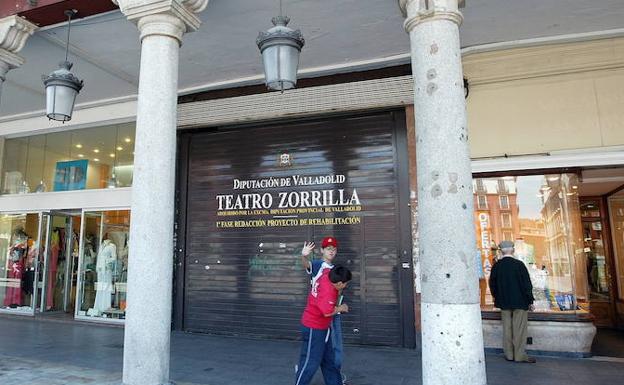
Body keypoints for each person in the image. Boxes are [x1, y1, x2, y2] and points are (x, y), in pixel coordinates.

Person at [295, 265, 351, 385]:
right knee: (311, 362)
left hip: (323, 328)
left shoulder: (327, 274)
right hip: (313, 328)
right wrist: (342, 307)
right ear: (339, 283)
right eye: (346, 284)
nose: (346, 286)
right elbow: (327, 312)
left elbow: (326, 268)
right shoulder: (328, 292)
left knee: (328, 361)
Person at [300, 237, 346, 382]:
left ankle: (336, 380)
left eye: (333, 249)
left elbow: (337, 291)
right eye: (328, 249)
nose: (331, 251)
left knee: (332, 353)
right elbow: (306, 265)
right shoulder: (318, 264)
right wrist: (304, 255)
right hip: (320, 315)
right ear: (322, 250)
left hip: (331, 314)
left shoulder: (335, 269)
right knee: (311, 360)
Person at [488, 240, 536, 363]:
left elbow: (492, 284)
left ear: (501, 251)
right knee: (519, 329)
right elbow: (527, 284)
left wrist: (496, 297)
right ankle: (519, 355)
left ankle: (509, 354)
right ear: (513, 250)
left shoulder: (497, 266)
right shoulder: (519, 265)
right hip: (520, 301)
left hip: (504, 302)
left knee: (507, 328)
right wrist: (530, 300)